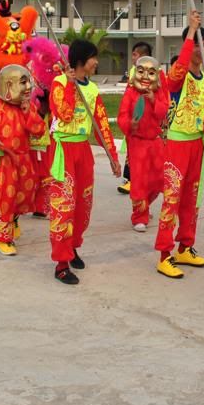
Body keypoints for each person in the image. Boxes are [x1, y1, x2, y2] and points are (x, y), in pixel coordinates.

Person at [155, 10, 204, 279]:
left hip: (196, 147)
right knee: (171, 200)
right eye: (198, 43)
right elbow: (177, 73)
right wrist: (191, 31)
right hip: (176, 145)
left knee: (191, 200)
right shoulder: (178, 76)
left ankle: (185, 246)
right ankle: (164, 254)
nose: (203, 48)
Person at [46, 38, 121, 285]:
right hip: (63, 150)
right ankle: (61, 264)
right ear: (80, 60)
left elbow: (101, 125)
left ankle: (73, 246)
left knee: (82, 206)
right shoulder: (59, 83)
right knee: (63, 206)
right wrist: (68, 84)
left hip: (83, 150)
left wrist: (113, 156)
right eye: (92, 58)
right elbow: (64, 114)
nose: (96, 62)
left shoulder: (92, 89)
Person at [0, 64, 46, 256]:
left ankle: (14, 219)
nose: (27, 87)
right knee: (7, 198)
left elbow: (39, 130)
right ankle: (3, 238)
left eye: (28, 83)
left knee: (25, 194)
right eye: (22, 83)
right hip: (6, 159)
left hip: (25, 158)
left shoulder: (28, 107)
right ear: (8, 85)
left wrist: (28, 111)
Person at [117, 55, 168, 232]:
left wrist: (154, 100)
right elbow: (121, 117)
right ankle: (139, 216)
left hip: (155, 141)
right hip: (137, 142)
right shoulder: (130, 93)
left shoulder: (159, 93)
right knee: (139, 181)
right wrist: (130, 124)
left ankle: (145, 205)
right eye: (141, 72)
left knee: (159, 179)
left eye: (151, 73)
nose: (145, 77)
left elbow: (163, 113)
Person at [117, 40, 154, 195]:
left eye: (135, 54)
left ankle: (133, 181)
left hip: (142, 121)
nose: (133, 58)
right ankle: (131, 180)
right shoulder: (139, 71)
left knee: (137, 154)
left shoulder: (141, 73)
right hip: (134, 120)